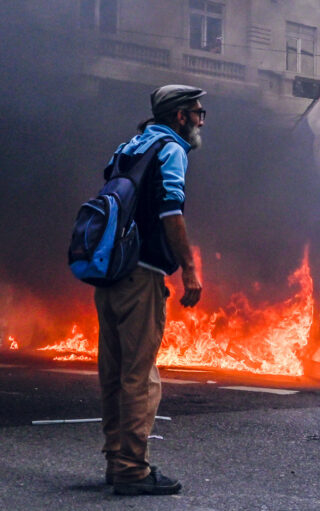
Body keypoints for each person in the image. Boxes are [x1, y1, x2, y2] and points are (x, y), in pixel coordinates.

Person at [94, 84, 205, 495]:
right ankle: (133, 470)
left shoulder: (129, 145)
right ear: (179, 116)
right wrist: (189, 270)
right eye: (196, 113)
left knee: (114, 372)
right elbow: (170, 211)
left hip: (108, 273)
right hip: (141, 277)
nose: (199, 120)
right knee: (140, 376)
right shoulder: (170, 148)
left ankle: (115, 460)